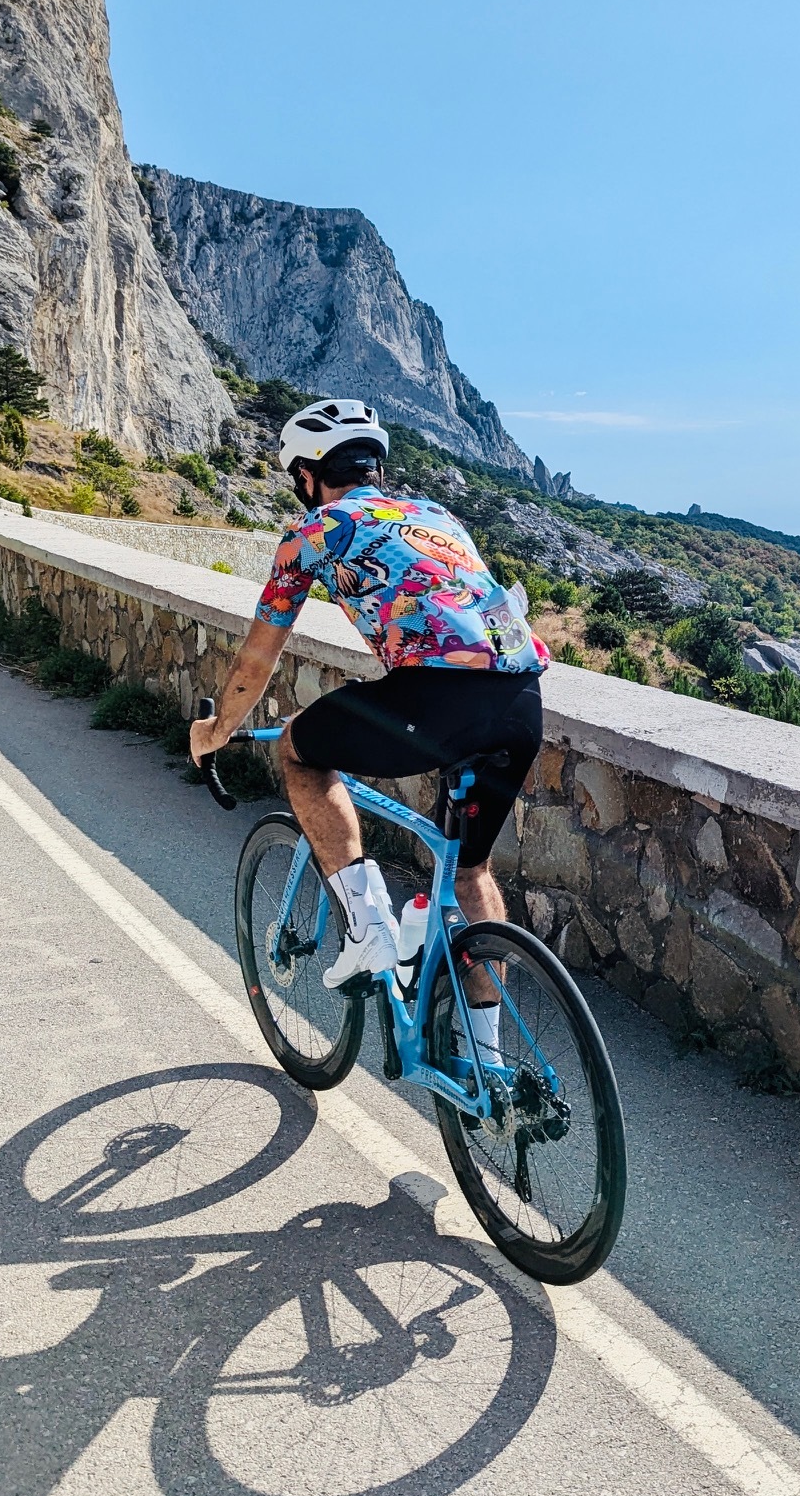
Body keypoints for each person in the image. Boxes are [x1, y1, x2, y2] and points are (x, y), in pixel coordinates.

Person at [188, 399, 547, 1046]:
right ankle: (487, 1059)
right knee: (471, 872)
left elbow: (256, 659)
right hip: (522, 701)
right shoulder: (437, 516)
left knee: (300, 752)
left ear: (307, 475)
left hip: (434, 701)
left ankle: (368, 926)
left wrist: (213, 734)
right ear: (373, 464)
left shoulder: (314, 530)